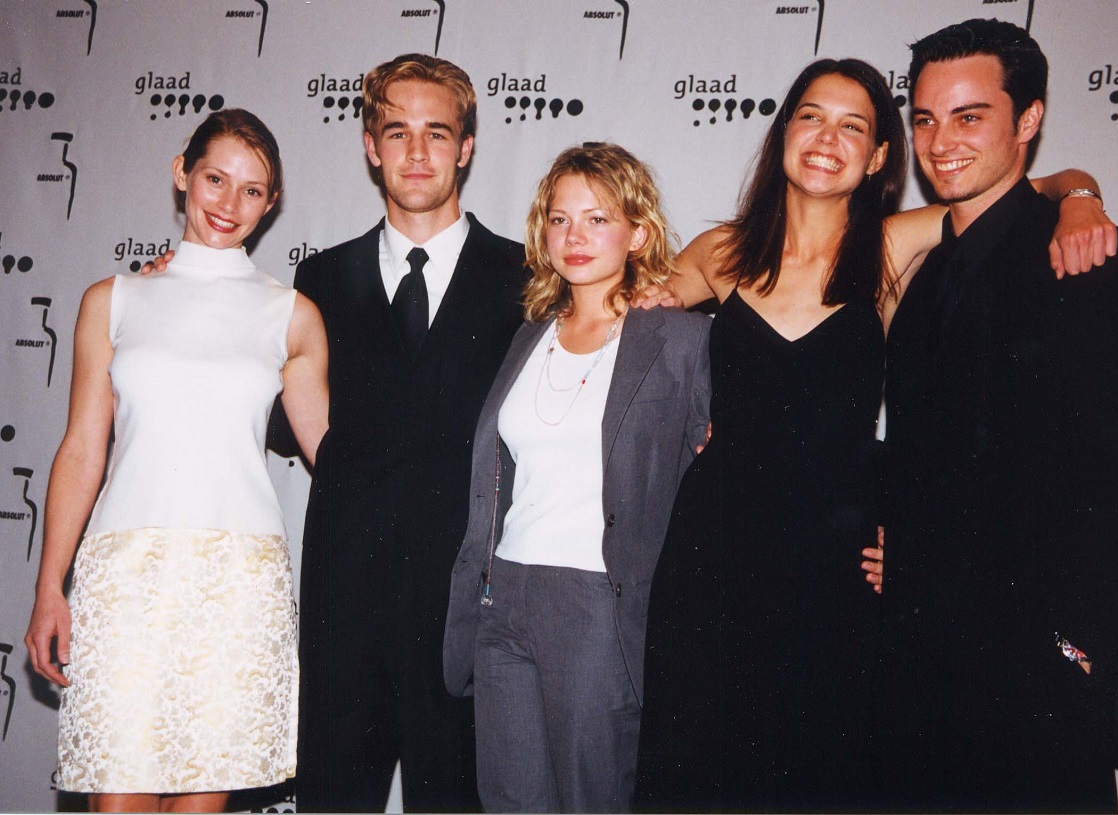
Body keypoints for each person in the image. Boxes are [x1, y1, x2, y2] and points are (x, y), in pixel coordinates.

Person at [635, 56, 1118, 812]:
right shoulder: (719, 252)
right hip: (714, 550)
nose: (827, 139)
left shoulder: (891, 247)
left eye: (852, 126)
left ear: (878, 157)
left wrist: (1081, 197)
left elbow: (1025, 189)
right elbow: (632, 325)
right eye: (811, 117)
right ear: (783, 133)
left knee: (818, 767)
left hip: (834, 564)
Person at [878, 19, 1118, 812]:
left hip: (1037, 688)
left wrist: (1082, 649)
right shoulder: (922, 278)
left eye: (969, 116)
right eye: (925, 119)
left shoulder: (1099, 260)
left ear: (1029, 119)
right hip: (915, 679)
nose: (940, 143)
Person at [24, 109, 329, 814]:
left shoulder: (292, 315)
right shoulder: (113, 300)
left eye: (252, 190)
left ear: (271, 203)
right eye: (215, 179)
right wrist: (49, 588)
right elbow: (81, 449)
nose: (229, 203)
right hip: (124, 577)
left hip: (238, 580)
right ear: (181, 173)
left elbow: (334, 457)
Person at [287, 54, 527, 813]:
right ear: (370, 146)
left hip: (470, 607)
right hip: (345, 599)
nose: (417, 153)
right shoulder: (320, 281)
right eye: (397, 132)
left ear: (466, 147)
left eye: (437, 133)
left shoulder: (530, 278)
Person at [442, 143, 710, 813]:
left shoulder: (682, 339)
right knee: (510, 799)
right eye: (560, 220)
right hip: (503, 595)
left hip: (596, 602)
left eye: (598, 219)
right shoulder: (529, 334)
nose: (575, 237)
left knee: (592, 799)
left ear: (637, 233)